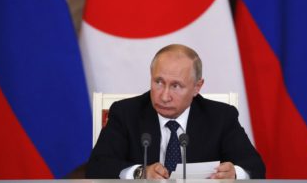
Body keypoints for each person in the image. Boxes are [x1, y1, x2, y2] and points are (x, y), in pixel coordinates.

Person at [86, 44, 265, 179]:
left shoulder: (221, 117)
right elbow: (97, 167)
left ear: (197, 87)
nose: (164, 96)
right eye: (159, 82)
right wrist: (141, 173)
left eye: (176, 86)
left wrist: (235, 173)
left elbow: (255, 167)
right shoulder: (126, 113)